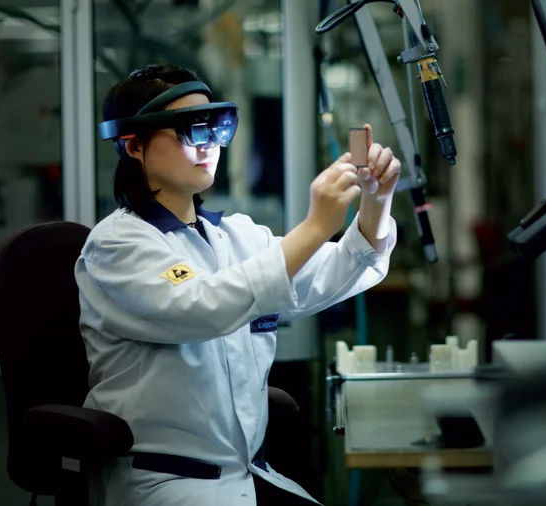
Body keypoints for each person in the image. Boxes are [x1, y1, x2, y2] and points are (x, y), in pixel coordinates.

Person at [74, 63, 400, 506]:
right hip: (165, 485)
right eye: (190, 130)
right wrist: (316, 225)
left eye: (216, 128)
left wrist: (376, 202)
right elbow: (204, 306)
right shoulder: (116, 245)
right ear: (134, 145)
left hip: (248, 477)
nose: (209, 145)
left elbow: (331, 273)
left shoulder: (238, 235)